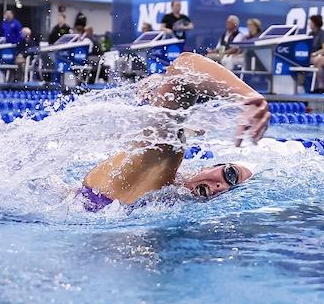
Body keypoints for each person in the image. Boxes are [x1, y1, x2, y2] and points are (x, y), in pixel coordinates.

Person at [78, 53, 268, 212]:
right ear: (206, 167)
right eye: (231, 175)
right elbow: (184, 67)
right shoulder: (160, 163)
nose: (223, 187)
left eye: (231, 192)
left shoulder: (172, 192)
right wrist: (250, 98)